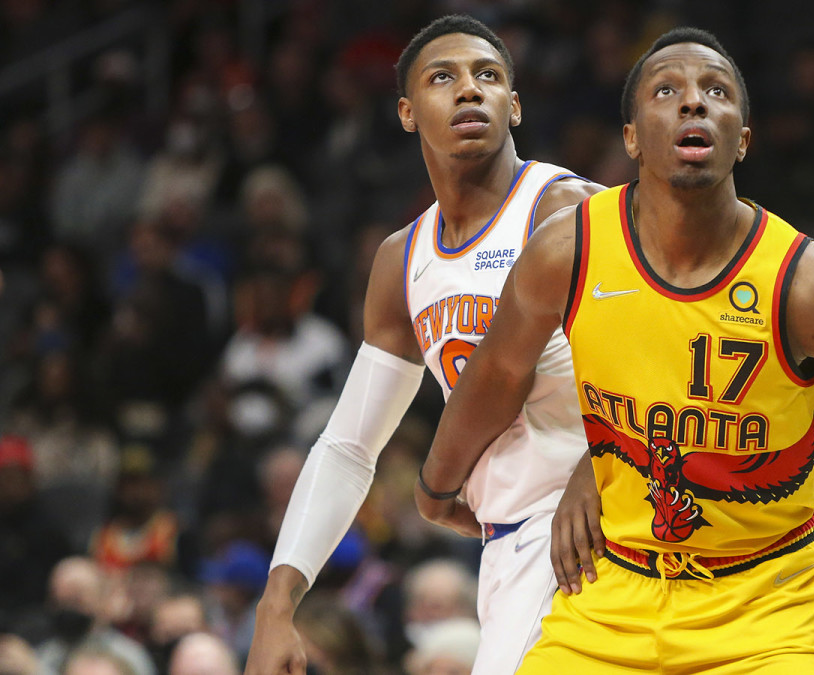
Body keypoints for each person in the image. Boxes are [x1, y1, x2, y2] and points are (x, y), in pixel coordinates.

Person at [417, 27, 814, 673]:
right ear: (632, 137)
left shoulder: (808, 284)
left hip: (768, 607)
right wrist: (436, 483)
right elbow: (498, 369)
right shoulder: (570, 248)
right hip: (615, 597)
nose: (694, 103)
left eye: (716, 91)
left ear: (741, 140)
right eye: (667, 90)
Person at [245, 15, 603, 675]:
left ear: (514, 105)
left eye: (488, 76)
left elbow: (669, 350)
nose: (470, 90)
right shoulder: (403, 259)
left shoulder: (569, 209)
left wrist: (605, 462)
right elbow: (351, 447)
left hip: (599, 528)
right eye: (445, 78)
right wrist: (276, 604)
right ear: (408, 113)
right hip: (505, 544)